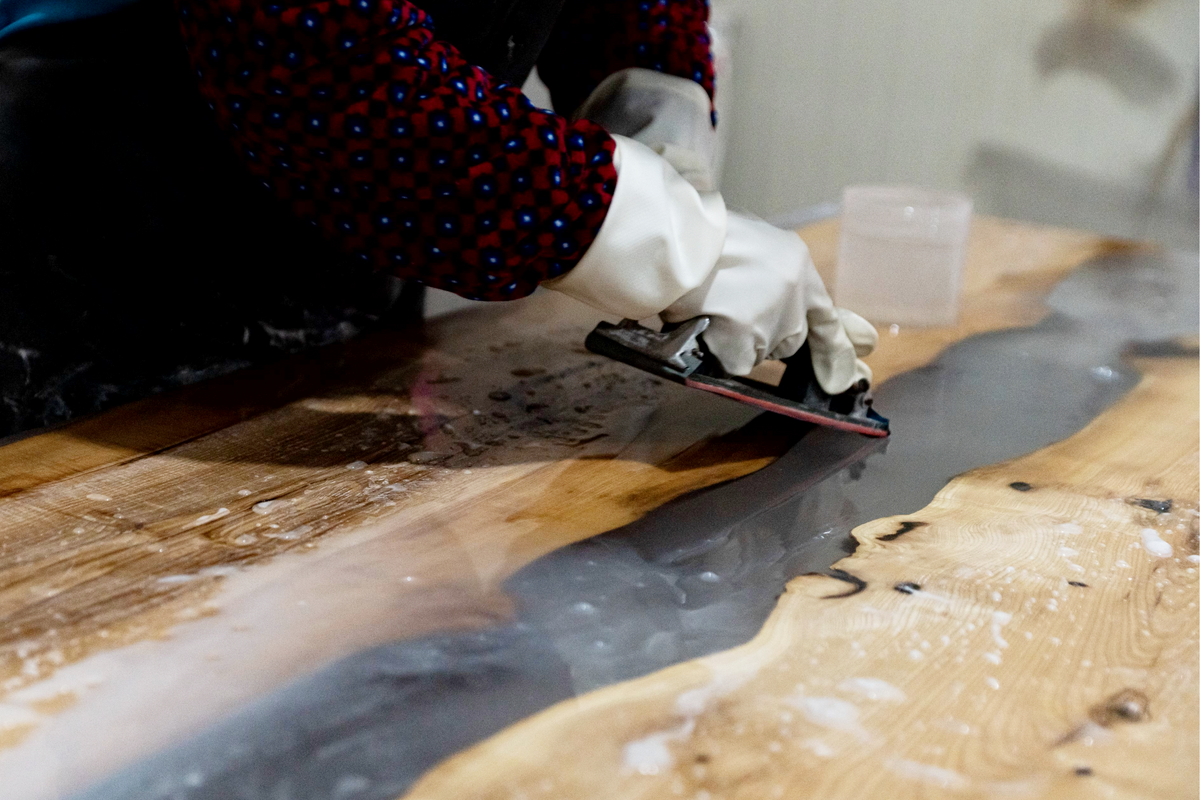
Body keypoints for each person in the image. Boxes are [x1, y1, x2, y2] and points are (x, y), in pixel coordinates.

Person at [0, 0, 876, 437]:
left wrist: (652, 87)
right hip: (83, 208)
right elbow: (321, 59)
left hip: (337, 234)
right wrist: (636, 228)